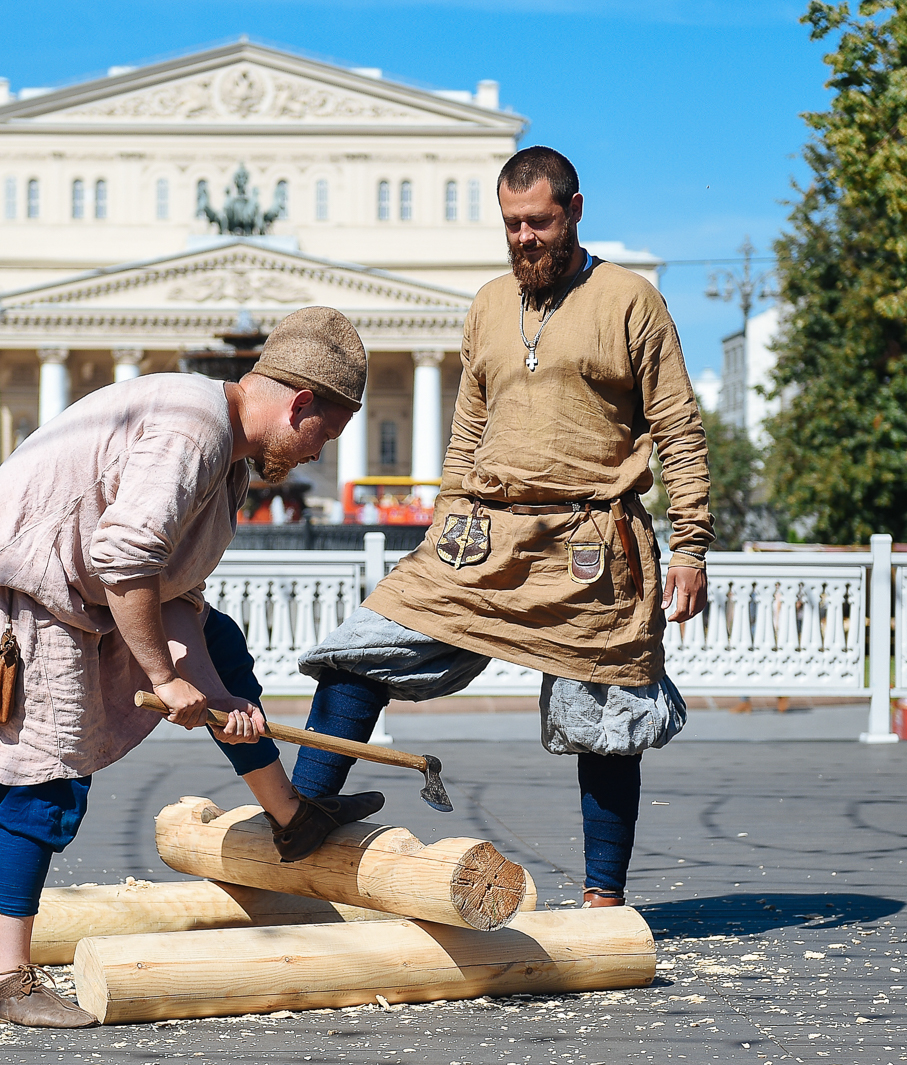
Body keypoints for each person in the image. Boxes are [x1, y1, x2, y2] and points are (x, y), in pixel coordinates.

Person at [0, 306, 384, 1028]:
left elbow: (173, 600)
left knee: (218, 644)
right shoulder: (194, 427)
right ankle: (6, 981)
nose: (320, 453)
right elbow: (125, 557)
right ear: (300, 405)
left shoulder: (226, 457)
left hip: (83, 593)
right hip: (27, 598)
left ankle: (293, 818)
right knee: (46, 779)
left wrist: (220, 695)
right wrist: (166, 681)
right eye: (326, 433)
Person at [285, 146, 713, 908]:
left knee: (605, 713)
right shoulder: (486, 304)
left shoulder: (630, 300)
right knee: (360, 650)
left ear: (575, 211)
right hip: (479, 538)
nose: (525, 238)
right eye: (512, 224)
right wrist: (443, 523)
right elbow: (467, 429)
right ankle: (295, 827)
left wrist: (691, 546)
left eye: (539, 222)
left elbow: (679, 427)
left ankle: (602, 904)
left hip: (591, 546)